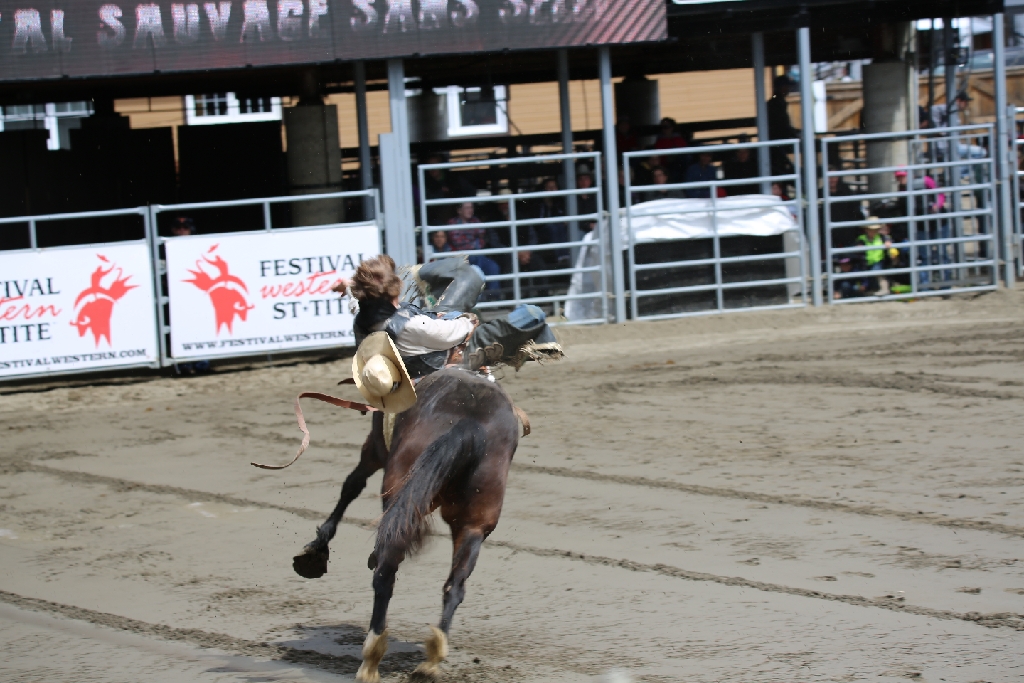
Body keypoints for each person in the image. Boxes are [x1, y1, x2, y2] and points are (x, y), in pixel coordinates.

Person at [343, 255, 562, 379]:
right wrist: (468, 319)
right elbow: (456, 332)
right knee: (533, 314)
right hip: (452, 353)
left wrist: (349, 287)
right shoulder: (413, 326)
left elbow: (357, 302)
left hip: (431, 337)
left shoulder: (364, 317)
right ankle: (530, 347)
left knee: (474, 275)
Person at [447, 202, 501, 293]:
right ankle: (478, 296)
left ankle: (493, 296)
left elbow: (482, 240)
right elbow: (458, 241)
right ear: (459, 210)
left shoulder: (476, 221)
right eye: (467, 208)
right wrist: (473, 239)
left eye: (471, 207)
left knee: (493, 267)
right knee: (476, 267)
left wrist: (466, 238)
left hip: (477, 255)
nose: (470, 210)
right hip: (461, 257)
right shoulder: (452, 223)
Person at [767, 75, 799, 176]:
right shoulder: (776, 103)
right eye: (786, 86)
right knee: (782, 168)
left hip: (779, 142)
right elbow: (781, 125)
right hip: (777, 142)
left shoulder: (778, 102)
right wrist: (794, 134)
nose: (788, 89)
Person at [856, 218, 891, 296]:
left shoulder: (881, 237)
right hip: (866, 261)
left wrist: (888, 242)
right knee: (866, 276)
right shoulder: (862, 238)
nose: (873, 231)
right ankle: (870, 291)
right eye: (870, 230)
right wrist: (859, 247)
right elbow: (858, 244)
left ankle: (885, 289)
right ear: (866, 230)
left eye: (875, 230)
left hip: (879, 260)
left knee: (878, 273)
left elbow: (888, 239)